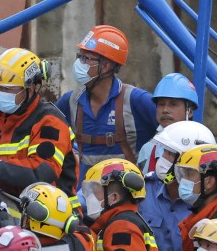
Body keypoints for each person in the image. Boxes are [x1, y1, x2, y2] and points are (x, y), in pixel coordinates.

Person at [0, 48, 78, 206]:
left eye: (8, 89)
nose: (1, 93)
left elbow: (42, 173)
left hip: (56, 215)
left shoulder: (49, 122)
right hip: (13, 208)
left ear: (31, 88)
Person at [56, 25, 158, 179]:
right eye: (80, 57)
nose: (79, 64)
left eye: (86, 58)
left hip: (128, 196)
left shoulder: (135, 101)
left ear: (105, 66)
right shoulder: (71, 102)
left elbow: (174, 134)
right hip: (86, 196)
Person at [138, 121, 213, 251]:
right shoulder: (143, 188)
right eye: (164, 151)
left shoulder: (208, 208)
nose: (163, 158)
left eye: (171, 154)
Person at [136, 73, 198, 173]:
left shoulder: (201, 147)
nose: (165, 110)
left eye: (173, 104)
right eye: (161, 104)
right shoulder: (148, 149)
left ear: (189, 111)